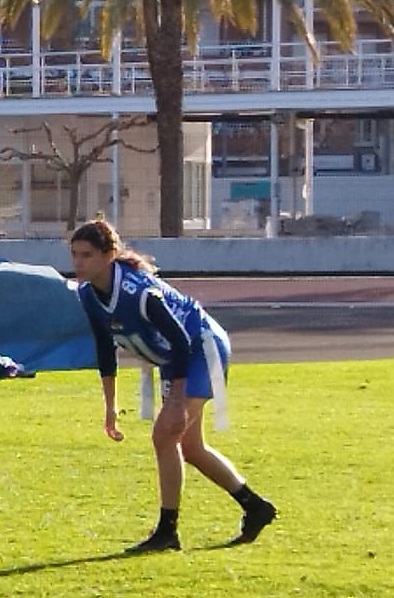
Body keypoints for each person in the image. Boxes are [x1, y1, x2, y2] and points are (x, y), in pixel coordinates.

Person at [69, 218, 277, 553]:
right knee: (190, 448)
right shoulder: (88, 294)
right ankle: (255, 507)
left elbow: (182, 341)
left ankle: (167, 531)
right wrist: (110, 404)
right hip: (174, 359)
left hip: (199, 348)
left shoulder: (139, 291)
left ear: (109, 255)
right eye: (75, 254)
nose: (78, 263)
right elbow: (104, 347)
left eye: (87, 255)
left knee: (165, 435)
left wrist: (178, 401)